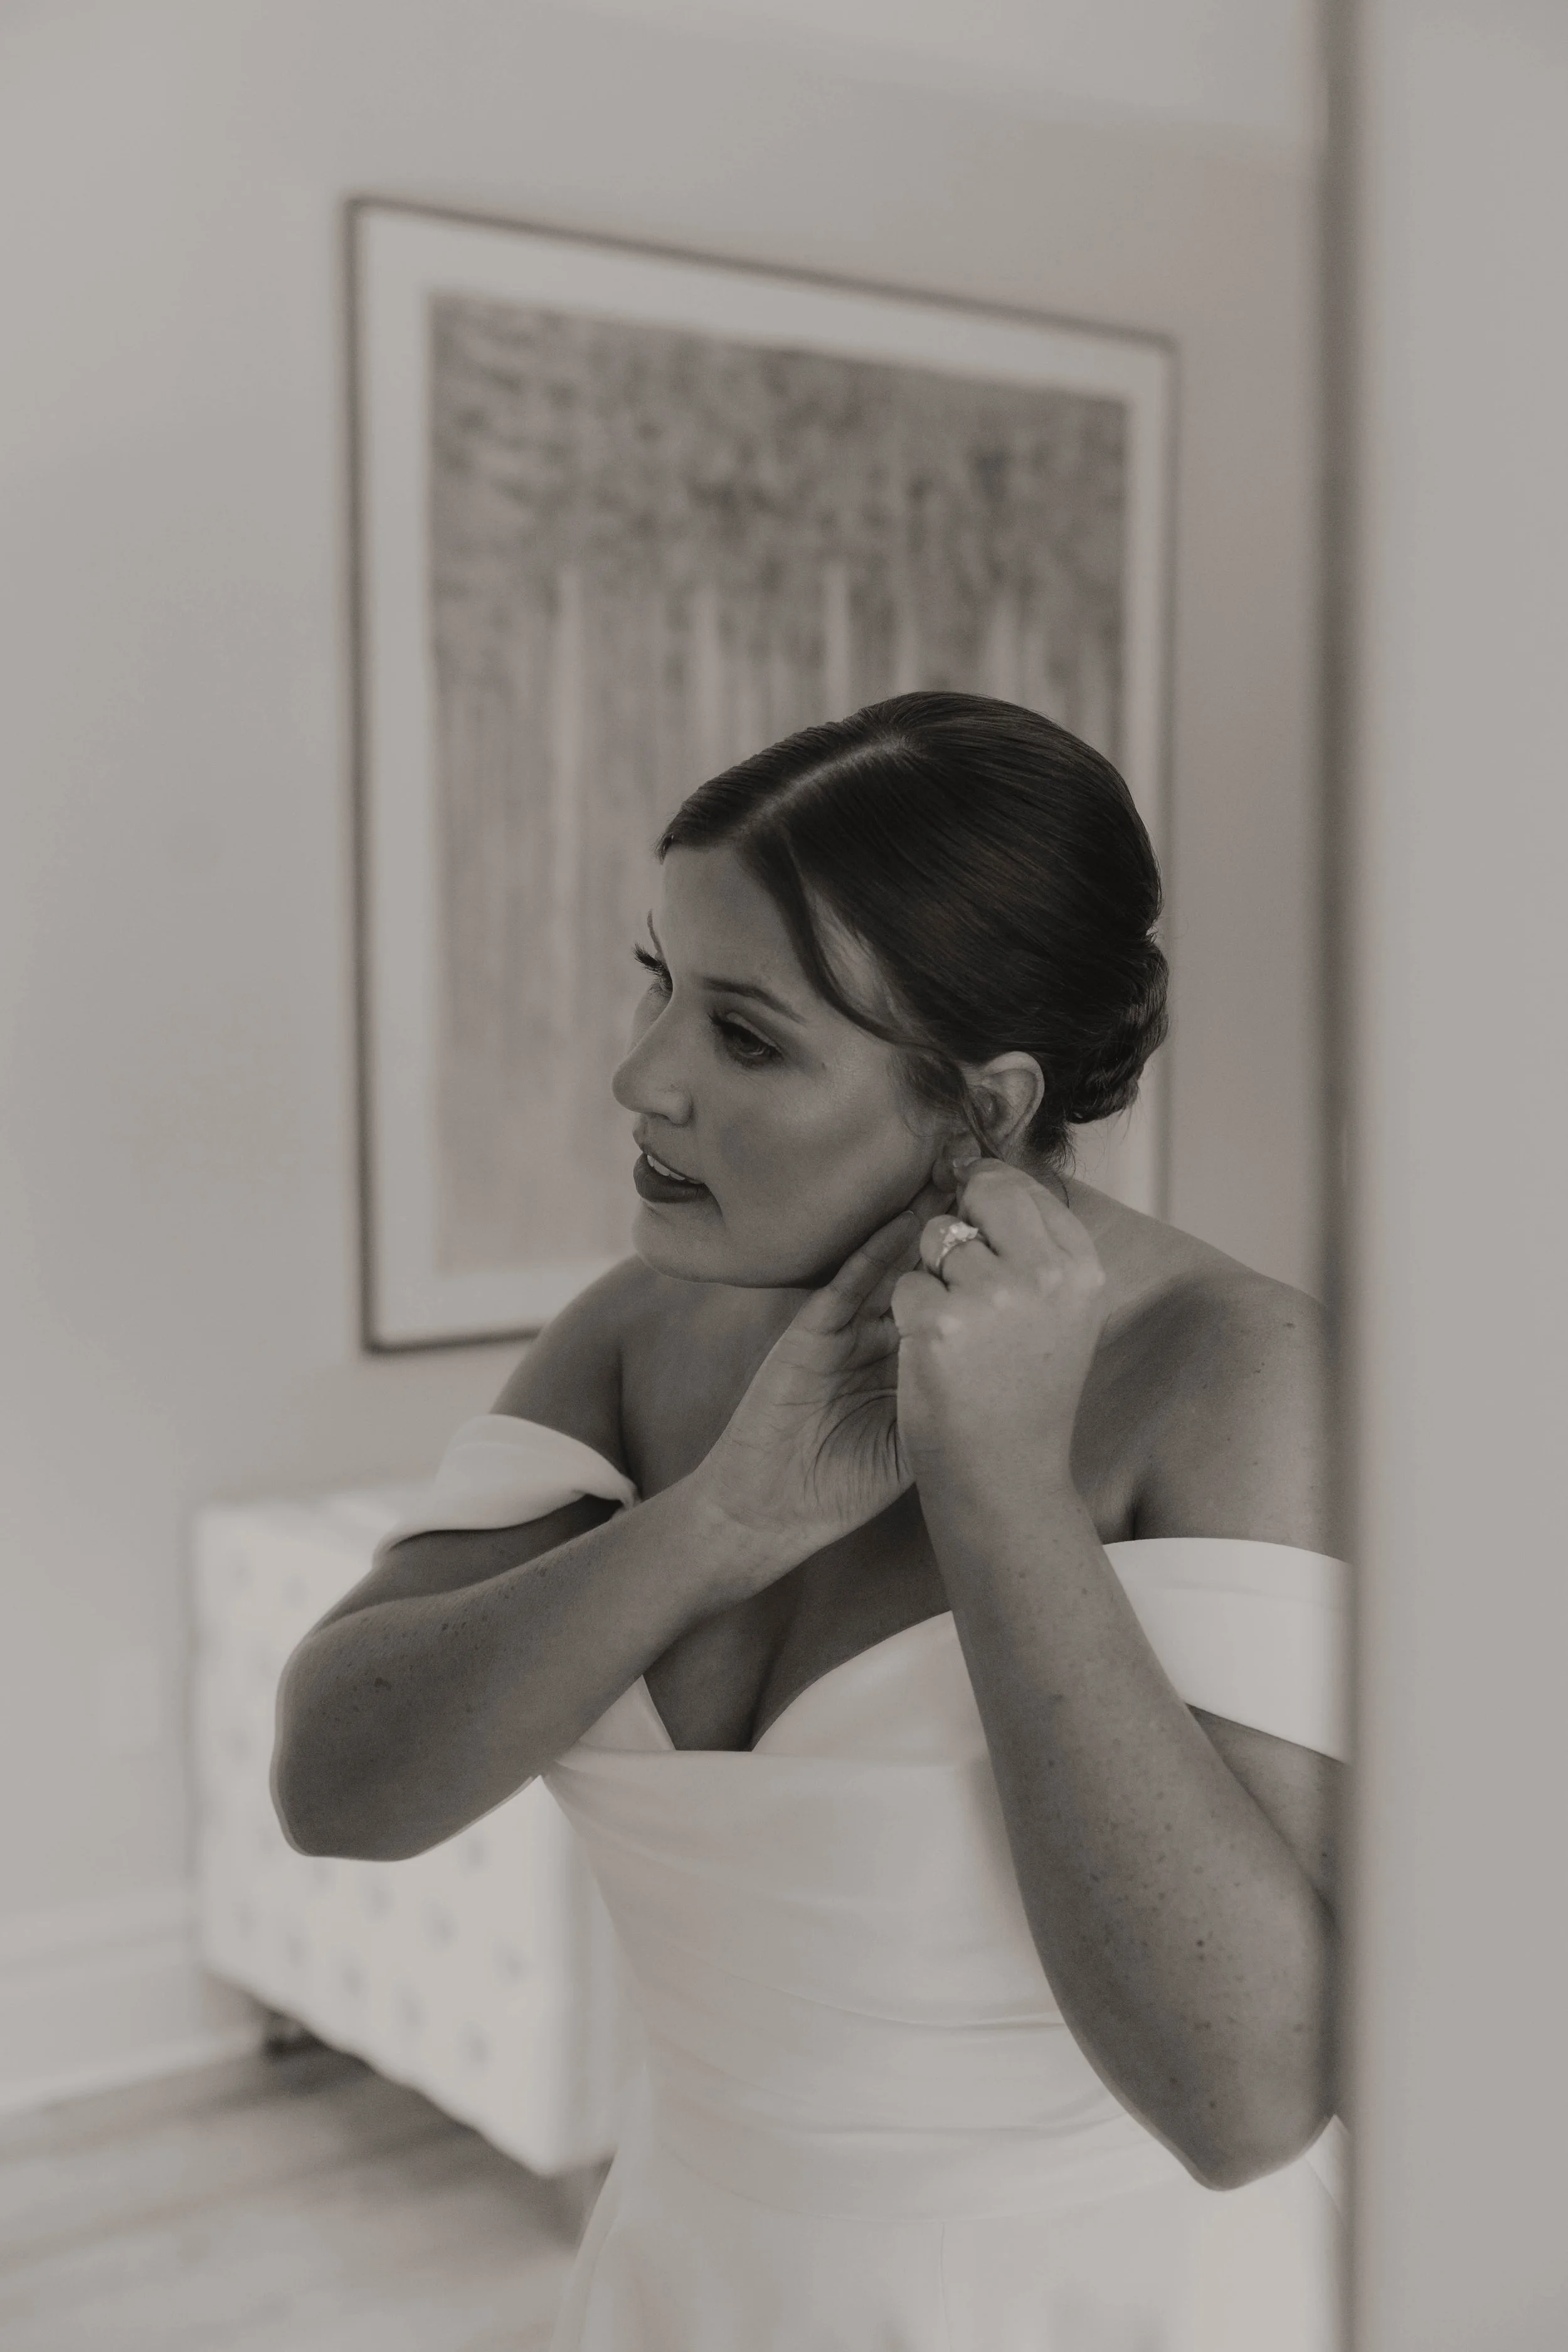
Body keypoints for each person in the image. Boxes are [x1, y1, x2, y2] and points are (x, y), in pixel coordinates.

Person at [273, 691, 1347, 2350]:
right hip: (684, 2289)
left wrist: (1001, 1493)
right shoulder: (633, 1330)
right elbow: (335, 1786)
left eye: (745, 1037)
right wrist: (720, 1520)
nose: (640, 1075)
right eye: (659, 984)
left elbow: (1247, 2100)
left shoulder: (1234, 1374)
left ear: (982, 1109)